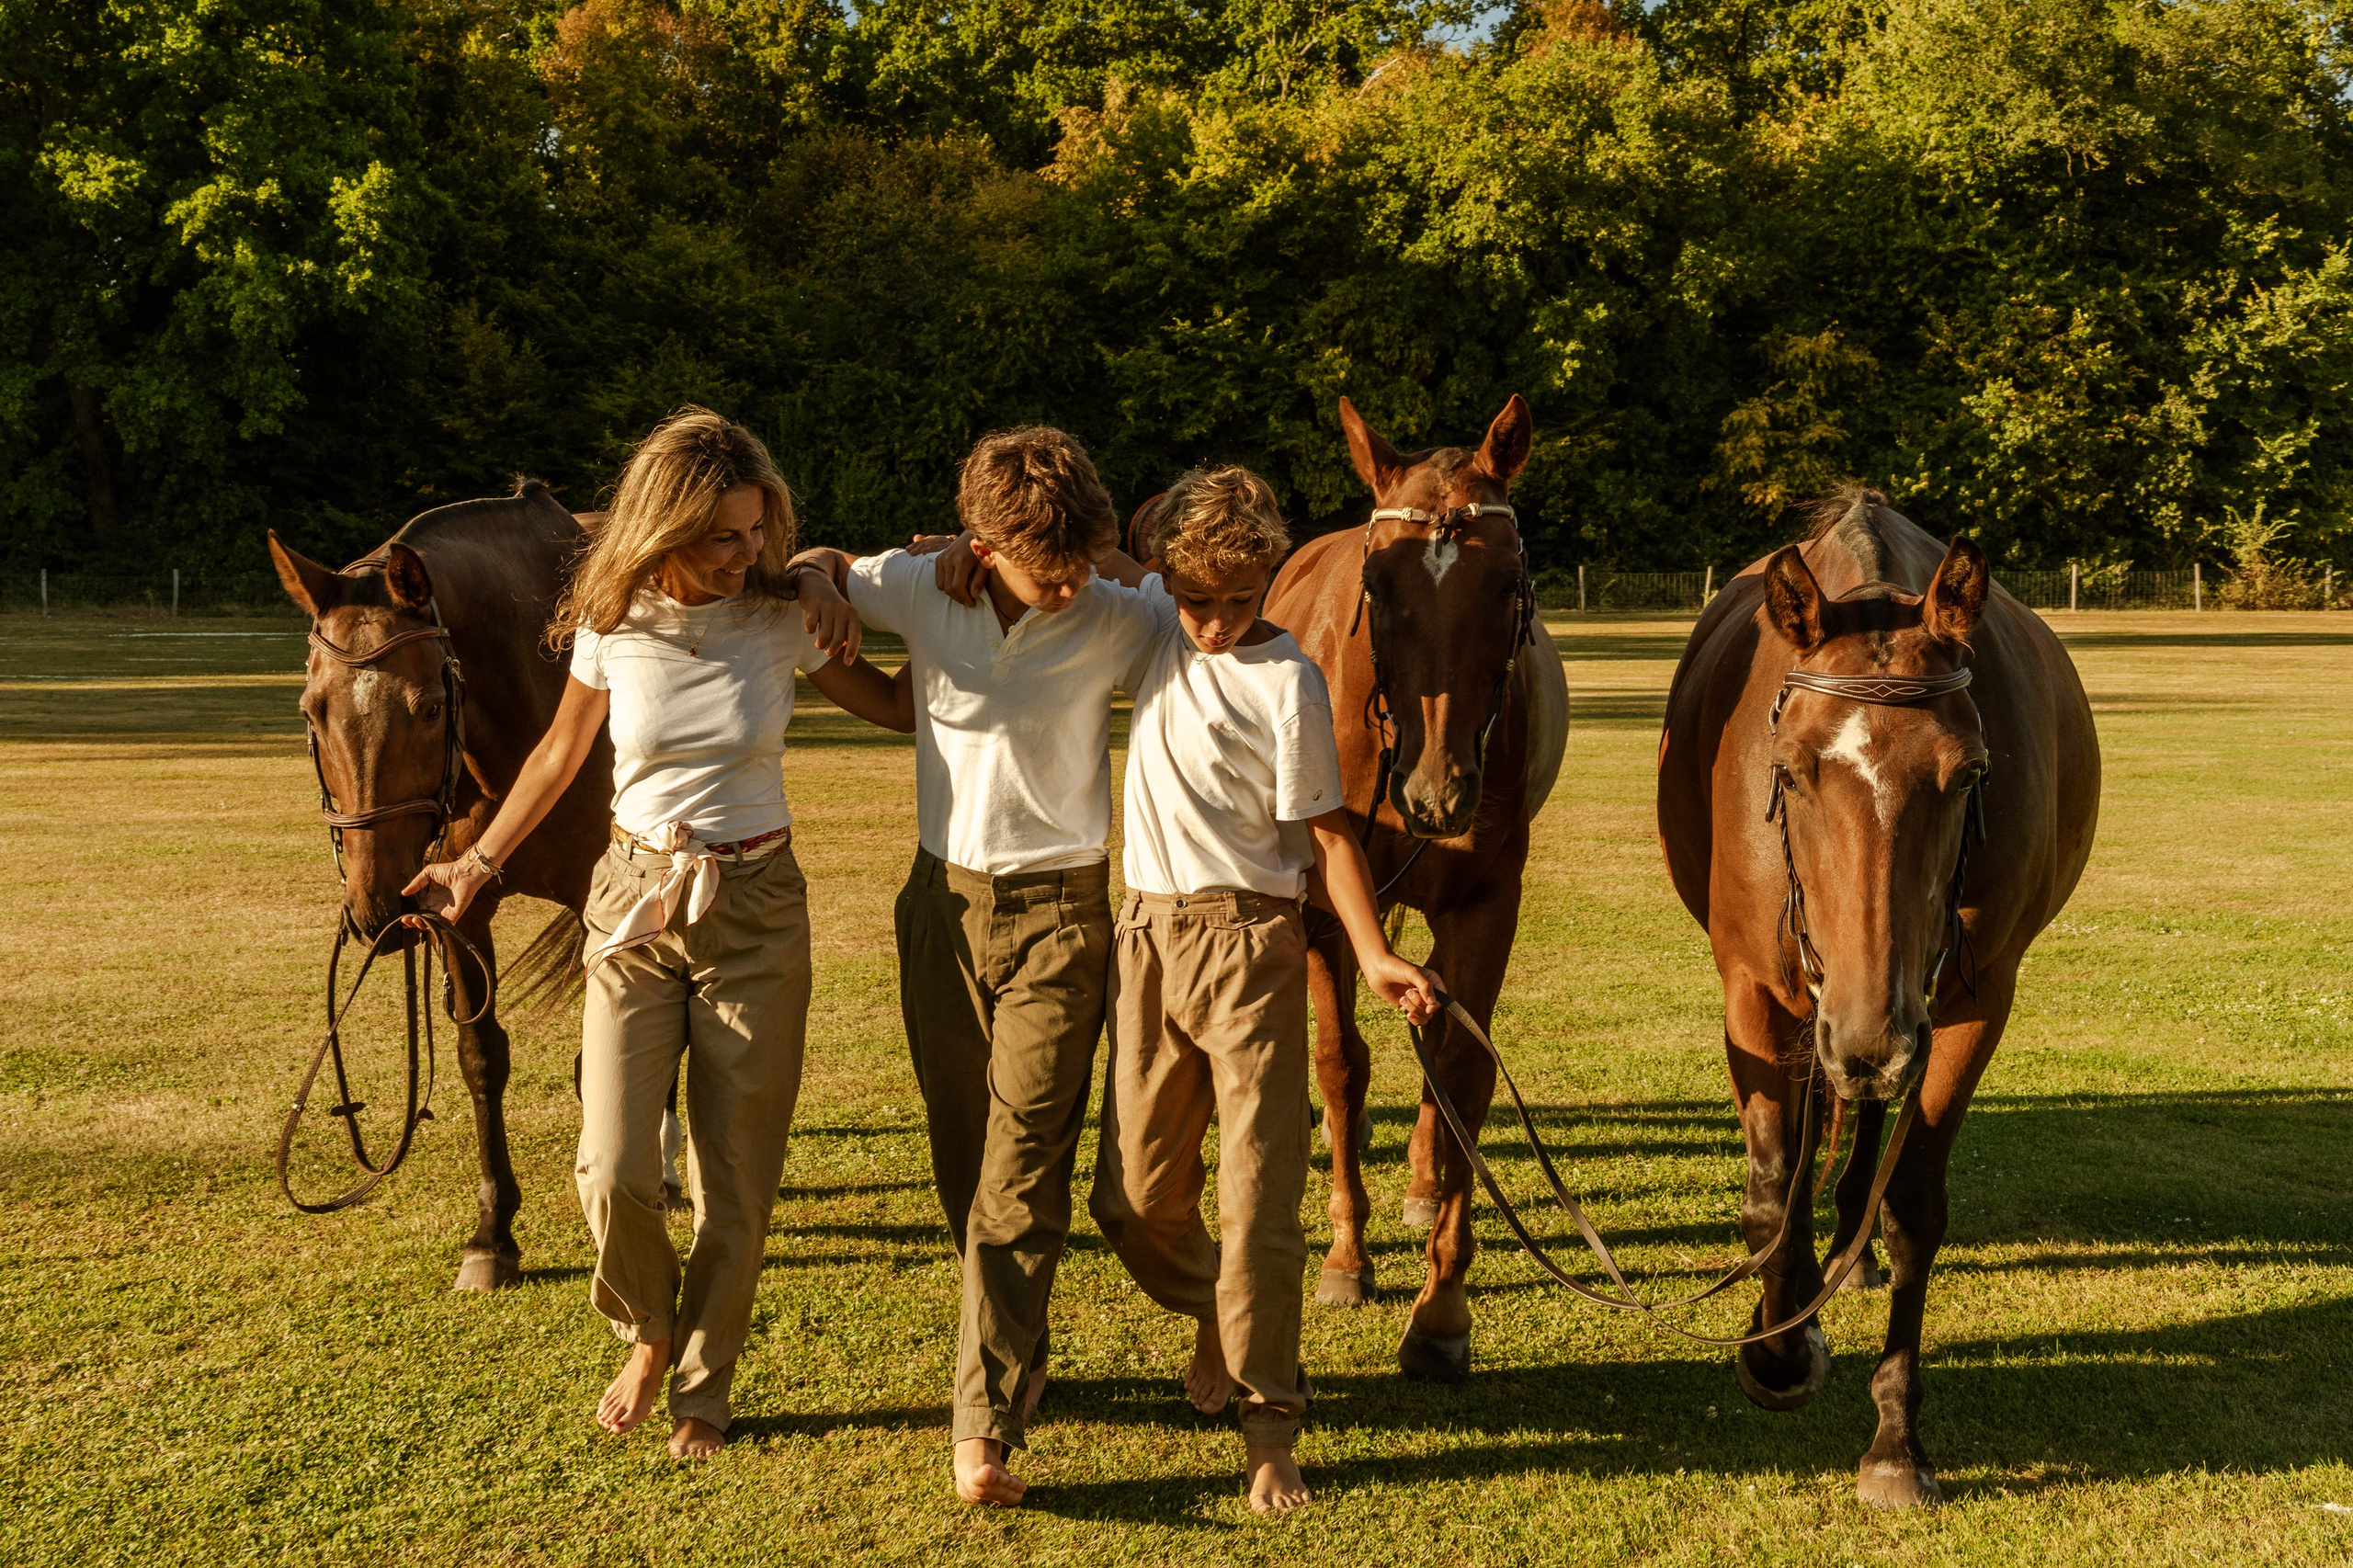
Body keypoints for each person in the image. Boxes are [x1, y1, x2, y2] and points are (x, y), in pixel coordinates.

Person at [404, 407, 907, 1460]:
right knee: (612, 1163)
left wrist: (993, 637)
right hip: (633, 894)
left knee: (735, 1174)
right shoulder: (613, 620)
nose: (747, 554)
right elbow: (553, 757)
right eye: (724, 535)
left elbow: (898, 707)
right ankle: (647, 1324)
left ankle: (704, 1383)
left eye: (759, 532)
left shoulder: (781, 617)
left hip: (758, 903)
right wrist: (470, 865)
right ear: (666, 527)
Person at [790, 427, 1164, 1507]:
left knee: (1023, 1166)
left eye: (1082, 559)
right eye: (1050, 565)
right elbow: (816, 570)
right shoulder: (923, 588)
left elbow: (1200, 611)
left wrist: (1120, 566)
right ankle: (1018, 1341)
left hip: (1064, 912)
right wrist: (817, 580)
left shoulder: (1112, 607)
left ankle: (981, 1423)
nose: (1072, 582)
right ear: (985, 543)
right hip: (938, 904)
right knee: (965, 1160)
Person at [1085, 470, 1439, 1513]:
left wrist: (1372, 955)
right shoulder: (1154, 617)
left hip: (1250, 945)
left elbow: (1326, 832)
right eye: (1198, 600)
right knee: (1131, 1198)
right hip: (1145, 937)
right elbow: (1071, 560)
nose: (1215, 623)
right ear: (1167, 580)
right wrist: (958, 552)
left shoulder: (1284, 677)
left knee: (1258, 1198)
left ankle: (1268, 1420)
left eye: (1240, 602)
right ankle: (1217, 1308)